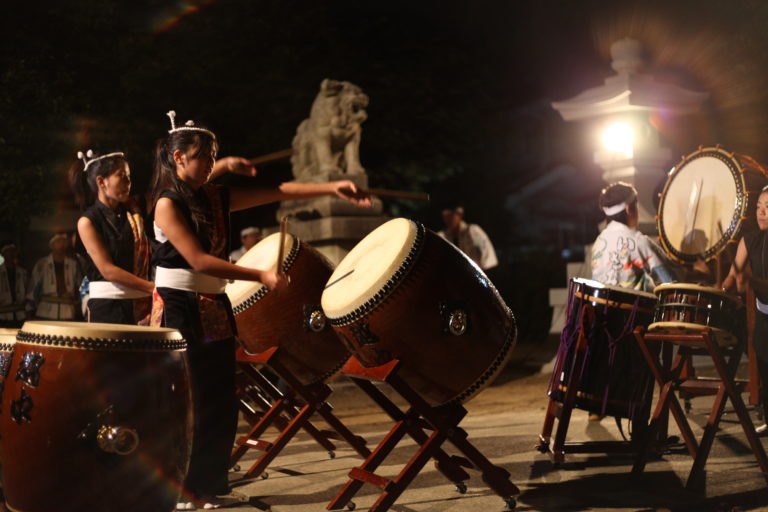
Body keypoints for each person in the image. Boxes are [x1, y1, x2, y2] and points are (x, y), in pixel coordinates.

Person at [149, 110, 370, 510]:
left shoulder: (213, 196)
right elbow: (198, 260)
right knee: (191, 399)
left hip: (212, 305)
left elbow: (279, 191)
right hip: (178, 309)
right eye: (204, 155)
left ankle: (211, 483)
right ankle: (184, 490)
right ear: (178, 157)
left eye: (215, 155)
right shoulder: (166, 204)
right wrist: (260, 274)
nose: (211, 163)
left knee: (222, 394)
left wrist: (332, 187)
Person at [71, 150, 154, 324]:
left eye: (129, 176)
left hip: (140, 306)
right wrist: (153, 288)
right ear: (101, 181)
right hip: (107, 309)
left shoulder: (133, 210)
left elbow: (174, 192)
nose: (128, 182)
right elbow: (108, 270)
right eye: (121, 176)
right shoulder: (87, 221)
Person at [722, 184, 768, 435]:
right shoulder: (749, 240)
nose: (761, 212)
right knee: (764, 365)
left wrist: (751, 281)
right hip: (764, 314)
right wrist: (726, 286)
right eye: (759, 207)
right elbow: (734, 278)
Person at [590, 182, 678, 291]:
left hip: (602, 307)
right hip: (634, 307)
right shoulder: (638, 242)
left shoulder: (598, 243)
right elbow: (671, 282)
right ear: (628, 209)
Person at [26, 233, 82, 320]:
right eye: (58, 242)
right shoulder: (42, 264)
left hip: (67, 311)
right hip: (45, 311)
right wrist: (29, 309)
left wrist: (78, 304)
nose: (62, 244)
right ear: (51, 245)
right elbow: (33, 287)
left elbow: (79, 287)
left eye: (64, 242)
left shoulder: (73, 264)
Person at [438, 205, 498, 270]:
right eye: (445, 217)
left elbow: (481, 246)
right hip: (469, 271)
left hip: (485, 269)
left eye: (451, 216)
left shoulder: (472, 230)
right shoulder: (446, 235)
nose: (448, 220)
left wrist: (479, 267)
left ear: (460, 215)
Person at [0, 243, 28, 327]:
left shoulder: (23, 272)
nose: (10, 254)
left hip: (20, 315)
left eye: (12, 251)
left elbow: (28, 291)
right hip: (2, 316)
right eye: (7, 251)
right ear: (2, 254)